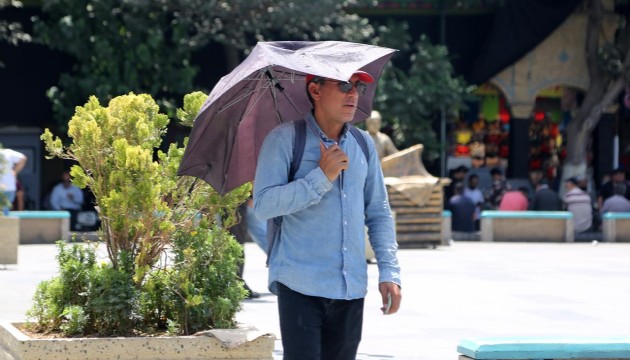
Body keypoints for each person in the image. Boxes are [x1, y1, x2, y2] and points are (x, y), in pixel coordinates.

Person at [253, 70, 401, 360]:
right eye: (344, 85)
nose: (353, 94)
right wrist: (321, 177)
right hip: (300, 285)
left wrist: (390, 272)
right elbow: (264, 205)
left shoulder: (363, 144)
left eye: (357, 86)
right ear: (315, 91)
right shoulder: (284, 140)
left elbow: (379, 213)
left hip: (351, 287)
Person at [227, 202, 261, 299]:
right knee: (236, 243)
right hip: (233, 202)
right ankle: (236, 283)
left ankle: (236, 282)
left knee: (235, 243)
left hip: (233, 202)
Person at [0, 147, 27, 215]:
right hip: (9, 188)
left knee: (4, 211)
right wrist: (15, 171)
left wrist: (14, 172)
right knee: (5, 211)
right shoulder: (8, 153)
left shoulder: (8, 153)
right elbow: (23, 158)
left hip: (8, 188)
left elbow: (20, 195)